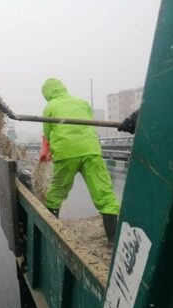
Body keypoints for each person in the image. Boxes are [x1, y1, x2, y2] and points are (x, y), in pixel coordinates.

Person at [40, 78, 120, 242]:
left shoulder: (50, 106)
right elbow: (88, 124)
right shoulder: (82, 102)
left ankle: (50, 233)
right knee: (104, 193)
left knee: (57, 192)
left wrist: (49, 148)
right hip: (90, 150)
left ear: (47, 93)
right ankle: (113, 239)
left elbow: (47, 134)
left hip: (66, 152)